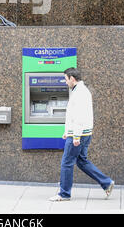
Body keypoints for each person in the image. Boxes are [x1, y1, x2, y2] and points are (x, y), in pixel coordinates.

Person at [49, 67, 114, 201]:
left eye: (66, 79)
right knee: (81, 161)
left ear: (72, 78)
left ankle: (64, 194)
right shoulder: (80, 91)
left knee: (66, 163)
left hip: (79, 134)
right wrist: (67, 132)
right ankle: (106, 183)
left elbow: (79, 116)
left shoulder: (80, 93)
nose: (65, 82)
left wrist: (76, 136)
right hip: (83, 132)